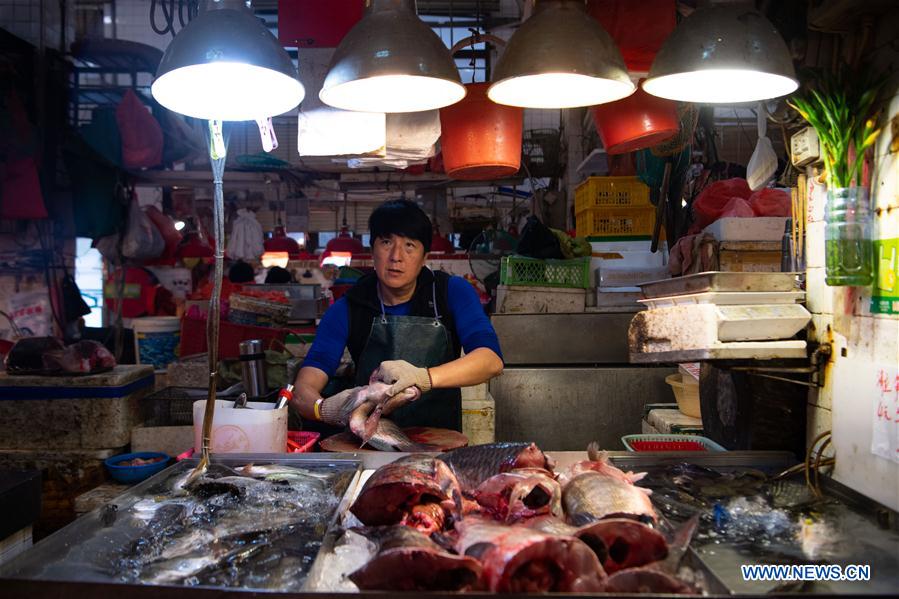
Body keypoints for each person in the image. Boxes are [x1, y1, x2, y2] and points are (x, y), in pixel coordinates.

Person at [292, 199, 503, 432]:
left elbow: (490, 360)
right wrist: (324, 408)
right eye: (386, 242)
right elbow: (303, 389)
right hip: (368, 444)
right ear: (372, 250)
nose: (396, 256)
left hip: (438, 445)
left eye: (410, 245)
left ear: (425, 258)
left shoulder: (451, 292)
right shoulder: (349, 307)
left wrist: (423, 378)